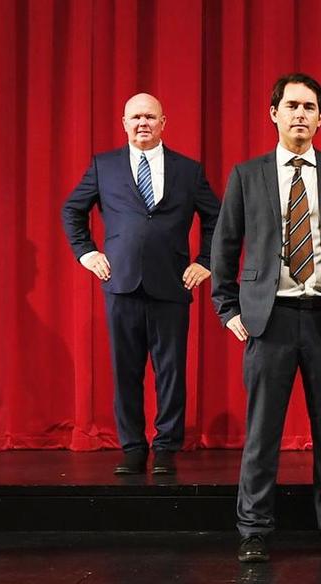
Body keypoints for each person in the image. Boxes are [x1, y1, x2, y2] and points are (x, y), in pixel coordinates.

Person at [211, 74, 321, 563]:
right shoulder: (248, 174)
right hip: (270, 319)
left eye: (309, 107)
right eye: (292, 106)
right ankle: (254, 531)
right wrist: (227, 309)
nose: (300, 114)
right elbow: (224, 247)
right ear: (274, 113)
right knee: (262, 433)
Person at [62, 93, 220, 475]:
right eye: (136, 117)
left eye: (150, 116)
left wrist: (206, 262)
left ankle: (166, 447)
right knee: (126, 371)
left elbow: (219, 219)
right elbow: (73, 210)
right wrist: (87, 254)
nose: (143, 123)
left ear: (164, 122)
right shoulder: (104, 166)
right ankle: (132, 446)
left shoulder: (188, 170)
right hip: (122, 285)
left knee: (171, 371)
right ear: (124, 123)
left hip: (172, 284)